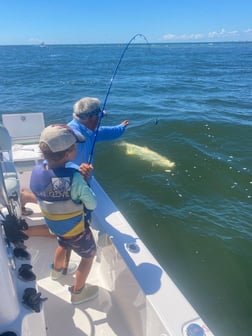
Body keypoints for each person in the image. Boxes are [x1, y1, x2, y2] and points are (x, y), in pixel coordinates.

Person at [30, 124, 99, 304]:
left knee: (62, 244)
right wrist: (85, 181)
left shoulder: (36, 171)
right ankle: (78, 292)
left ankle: (57, 272)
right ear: (68, 154)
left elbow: (56, 187)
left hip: (56, 227)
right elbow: (91, 204)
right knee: (88, 256)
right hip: (77, 231)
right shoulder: (74, 178)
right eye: (75, 146)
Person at [67, 96, 129, 180]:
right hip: (72, 182)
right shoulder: (72, 136)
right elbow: (51, 160)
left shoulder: (88, 130)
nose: (100, 119)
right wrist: (77, 169)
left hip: (84, 180)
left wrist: (121, 127)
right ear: (92, 118)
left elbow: (106, 132)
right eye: (99, 116)